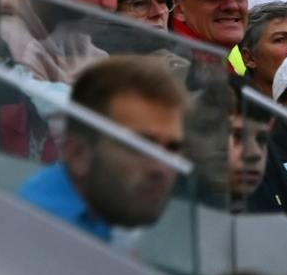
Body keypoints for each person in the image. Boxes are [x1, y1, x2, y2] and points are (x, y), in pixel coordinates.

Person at [20, 54, 191, 238]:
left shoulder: (110, 207)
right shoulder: (39, 234)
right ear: (78, 153)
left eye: (172, 148)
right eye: (141, 147)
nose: (162, 168)